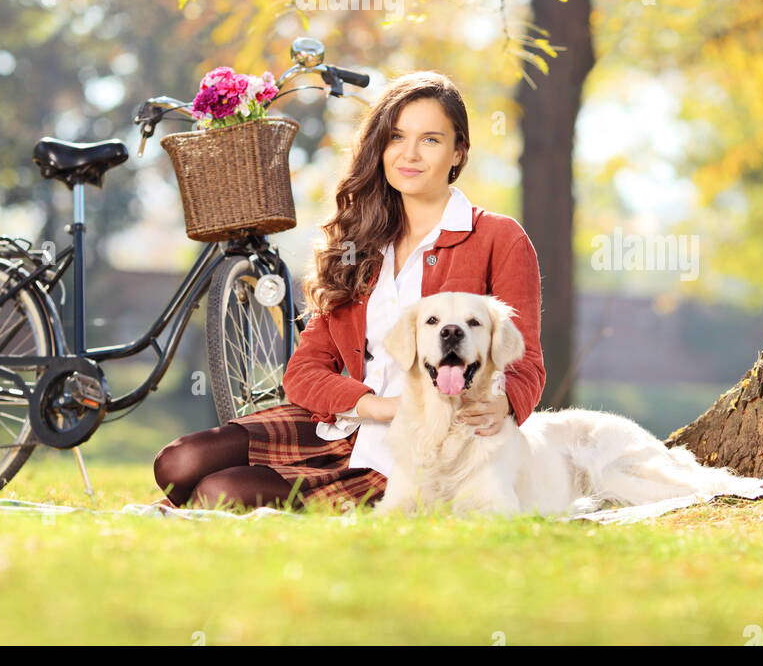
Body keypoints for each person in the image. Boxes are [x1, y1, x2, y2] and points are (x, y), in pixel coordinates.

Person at [152, 71, 546, 511]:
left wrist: (507, 405)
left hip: (419, 449)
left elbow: (526, 359)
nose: (409, 154)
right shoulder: (359, 242)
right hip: (342, 424)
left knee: (218, 494)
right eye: (396, 137)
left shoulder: (497, 237)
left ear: (459, 152)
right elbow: (303, 372)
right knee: (177, 462)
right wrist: (373, 406)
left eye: (431, 140)